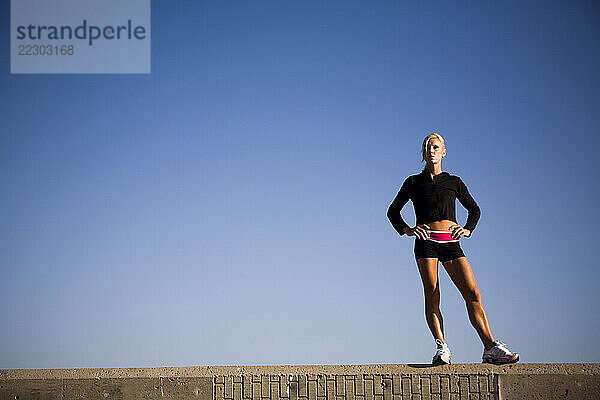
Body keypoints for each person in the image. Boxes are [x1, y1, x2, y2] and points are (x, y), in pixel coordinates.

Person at [387, 133, 519, 365]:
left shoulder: (454, 181)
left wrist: (467, 229)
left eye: (436, 146)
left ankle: (490, 348)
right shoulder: (413, 182)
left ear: (444, 151)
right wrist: (408, 230)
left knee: (473, 294)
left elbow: (474, 209)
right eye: (427, 147)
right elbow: (393, 211)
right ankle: (442, 348)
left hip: (451, 243)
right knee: (432, 292)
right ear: (423, 153)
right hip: (426, 242)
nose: (431, 150)